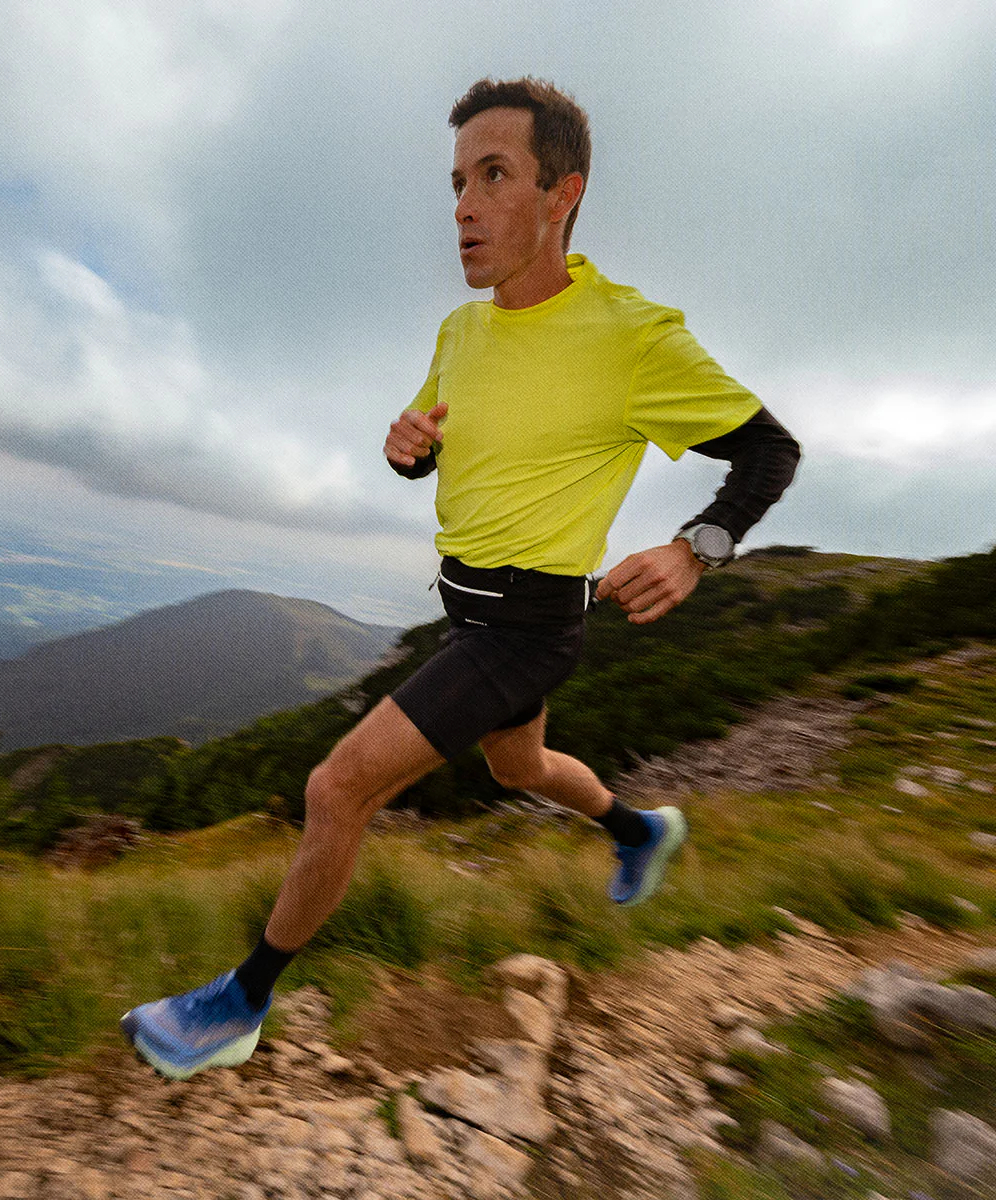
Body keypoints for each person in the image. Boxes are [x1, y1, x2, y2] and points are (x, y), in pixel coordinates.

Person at [121, 77, 800, 1080]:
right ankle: (642, 830)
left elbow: (771, 451)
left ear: (562, 194)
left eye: (493, 176)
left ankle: (239, 1005)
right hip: (467, 615)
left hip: (529, 628)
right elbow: (436, 443)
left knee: (336, 788)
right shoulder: (461, 331)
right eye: (456, 183)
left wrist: (696, 547)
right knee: (518, 770)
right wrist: (411, 452)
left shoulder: (633, 336)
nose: (463, 208)